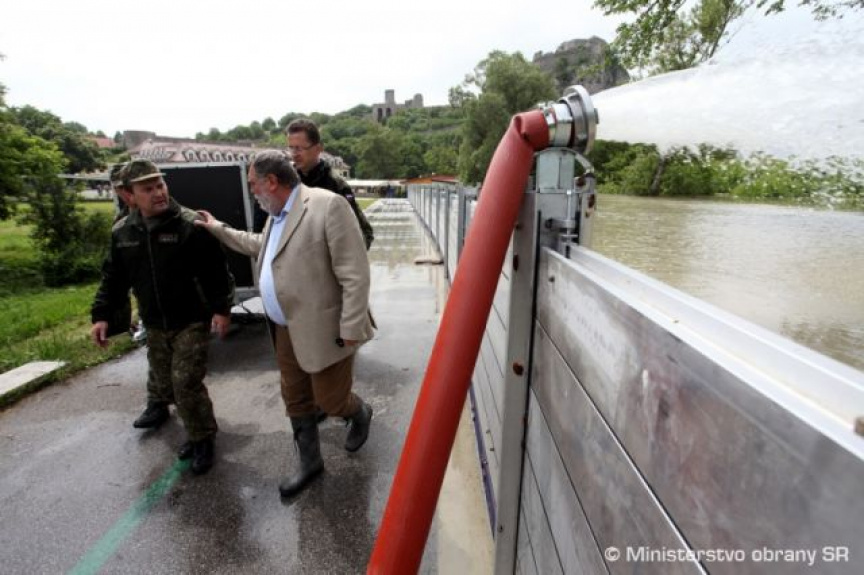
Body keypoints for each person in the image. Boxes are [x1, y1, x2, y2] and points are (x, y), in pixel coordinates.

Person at [195, 150, 374, 498]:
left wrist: (352, 326)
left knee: (331, 401)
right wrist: (218, 229)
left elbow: (355, 273)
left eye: (253, 185)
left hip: (326, 328)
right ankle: (310, 462)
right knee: (295, 398)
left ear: (272, 182)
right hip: (284, 328)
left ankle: (359, 411)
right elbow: (260, 246)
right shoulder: (275, 216)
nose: (252, 192)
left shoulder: (327, 205)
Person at [91, 159, 235, 474]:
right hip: (155, 322)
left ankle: (202, 439)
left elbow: (216, 272)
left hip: (192, 320)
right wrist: (102, 316)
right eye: (148, 189)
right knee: (167, 386)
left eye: (160, 185)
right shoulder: (123, 232)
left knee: (185, 384)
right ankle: (188, 424)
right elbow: (113, 278)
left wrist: (221, 310)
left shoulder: (190, 225)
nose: (158, 193)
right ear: (129, 195)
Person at [286, 118, 374, 249]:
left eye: (299, 148)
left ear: (318, 148)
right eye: (291, 148)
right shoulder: (286, 182)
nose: (294, 154)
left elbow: (363, 233)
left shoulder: (338, 186)